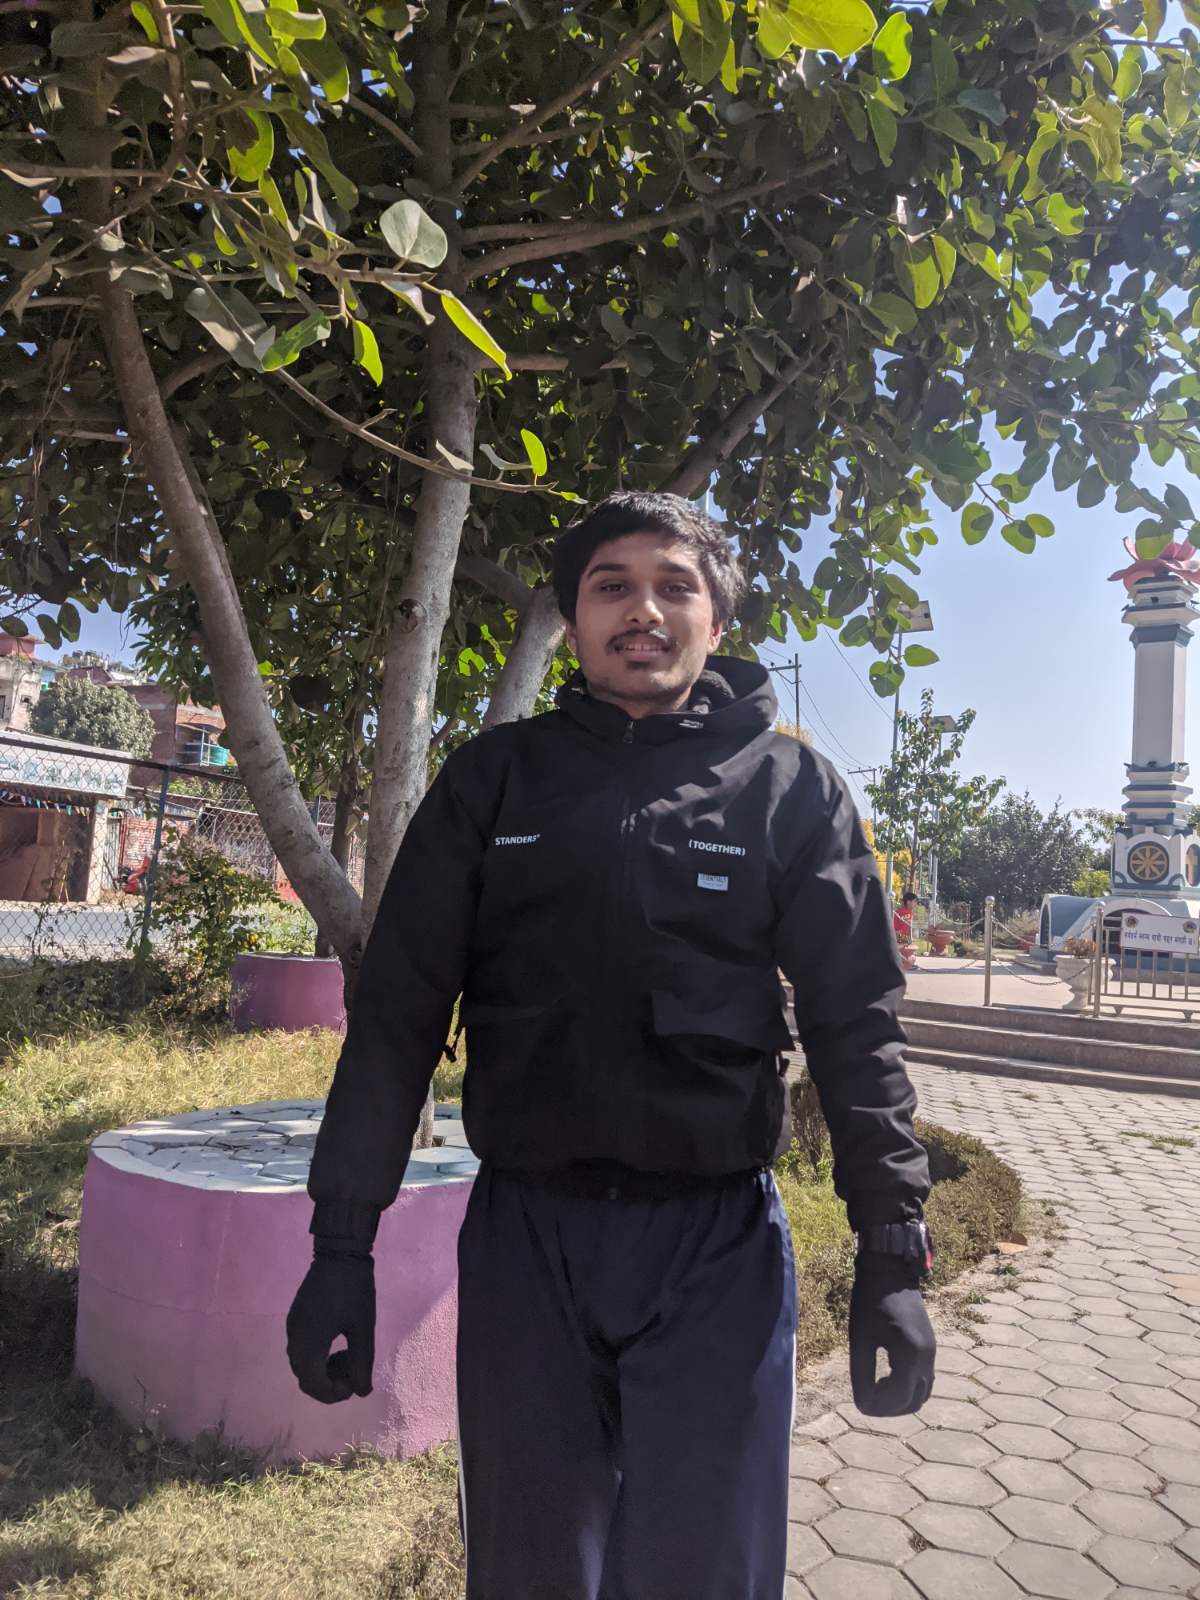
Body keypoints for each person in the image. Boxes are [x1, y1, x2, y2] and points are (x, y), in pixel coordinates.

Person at [287, 492, 936, 1600]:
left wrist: (892, 1246)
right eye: (612, 585)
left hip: (717, 1250)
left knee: (707, 1571)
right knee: (531, 1567)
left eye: (676, 584)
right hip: (527, 1243)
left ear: (717, 621)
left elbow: (855, 1021)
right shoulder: (495, 782)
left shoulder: (793, 791)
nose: (645, 609)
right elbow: (396, 1018)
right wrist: (342, 1242)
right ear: (574, 620)